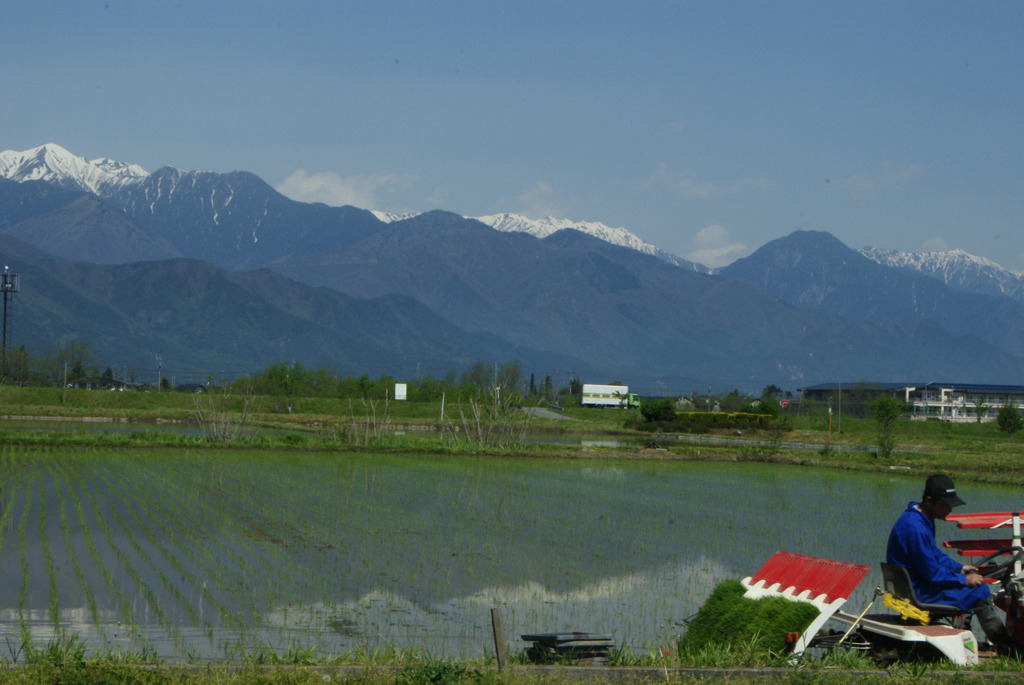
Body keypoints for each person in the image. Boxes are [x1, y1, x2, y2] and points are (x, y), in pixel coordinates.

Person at [886, 473, 1012, 648]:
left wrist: (959, 568)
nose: (950, 509)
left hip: (916, 583)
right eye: (945, 505)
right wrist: (964, 579)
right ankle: (1006, 647)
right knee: (979, 591)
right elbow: (932, 574)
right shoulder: (915, 528)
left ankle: (968, 637)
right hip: (920, 591)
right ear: (929, 501)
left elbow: (933, 554)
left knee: (972, 586)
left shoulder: (919, 518)